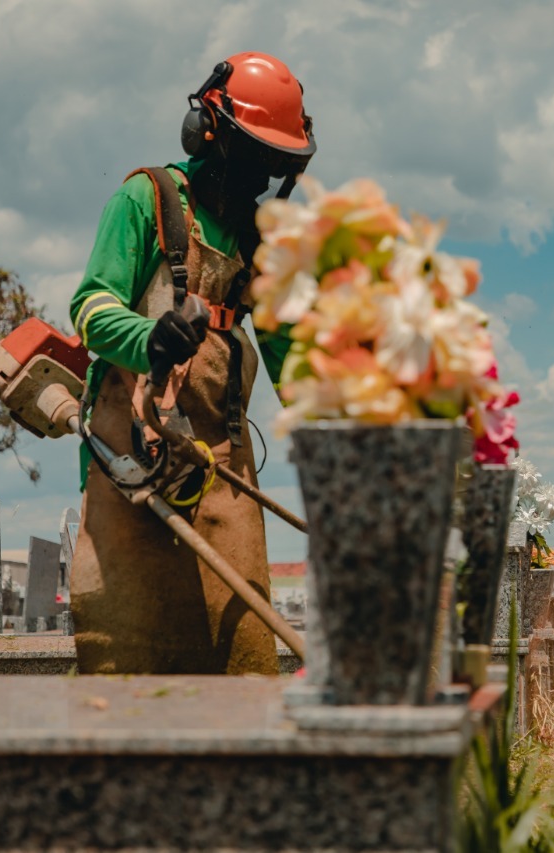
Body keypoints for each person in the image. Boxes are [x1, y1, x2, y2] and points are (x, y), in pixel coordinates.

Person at [67, 52, 316, 675]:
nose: (259, 179)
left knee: (242, 654)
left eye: (274, 165)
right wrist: (150, 338)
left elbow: (292, 359)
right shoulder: (145, 198)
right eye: (253, 158)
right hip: (132, 459)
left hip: (226, 468)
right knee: (123, 655)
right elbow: (92, 308)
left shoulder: (261, 242)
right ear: (208, 132)